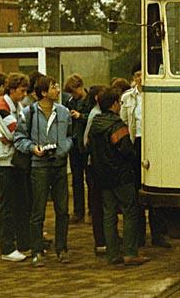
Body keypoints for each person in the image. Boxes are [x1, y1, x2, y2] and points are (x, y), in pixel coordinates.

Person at [14, 76, 72, 267]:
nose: (57, 89)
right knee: (38, 210)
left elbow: (71, 136)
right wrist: (33, 148)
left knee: (62, 210)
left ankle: (62, 249)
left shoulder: (63, 112)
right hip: (38, 166)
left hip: (59, 164)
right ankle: (37, 250)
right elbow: (19, 138)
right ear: (44, 92)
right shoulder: (29, 112)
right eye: (53, 87)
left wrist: (63, 148)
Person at [89, 88, 149, 266]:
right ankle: (130, 252)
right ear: (114, 104)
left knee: (108, 214)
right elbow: (126, 151)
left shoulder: (95, 124)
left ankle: (112, 253)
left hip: (103, 176)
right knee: (130, 212)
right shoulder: (117, 126)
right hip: (121, 176)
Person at [120, 65, 170, 248]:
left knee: (155, 186)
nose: (141, 78)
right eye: (137, 75)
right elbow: (124, 121)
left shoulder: (156, 95)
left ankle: (159, 233)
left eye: (143, 74)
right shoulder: (128, 97)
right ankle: (138, 234)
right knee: (136, 190)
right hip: (137, 142)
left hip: (154, 144)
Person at [0, 73, 31, 263]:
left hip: (13, 159)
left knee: (20, 202)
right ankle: (7, 246)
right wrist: (19, 136)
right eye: (22, 90)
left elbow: (18, 131)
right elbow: (16, 132)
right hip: (5, 161)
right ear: (12, 89)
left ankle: (20, 243)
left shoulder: (16, 106)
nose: (24, 94)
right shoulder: (2, 107)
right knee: (8, 205)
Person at [63, 74, 91, 224]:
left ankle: (91, 210)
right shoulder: (70, 102)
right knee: (76, 179)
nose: (73, 95)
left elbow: (93, 119)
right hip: (75, 145)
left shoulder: (90, 101)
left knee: (90, 179)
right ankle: (78, 211)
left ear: (80, 87)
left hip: (86, 145)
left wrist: (81, 116)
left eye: (74, 91)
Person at [83, 84, 107, 256]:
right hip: (96, 165)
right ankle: (101, 240)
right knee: (99, 203)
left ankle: (104, 238)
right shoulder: (96, 116)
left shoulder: (96, 114)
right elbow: (87, 141)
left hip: (97, 164)